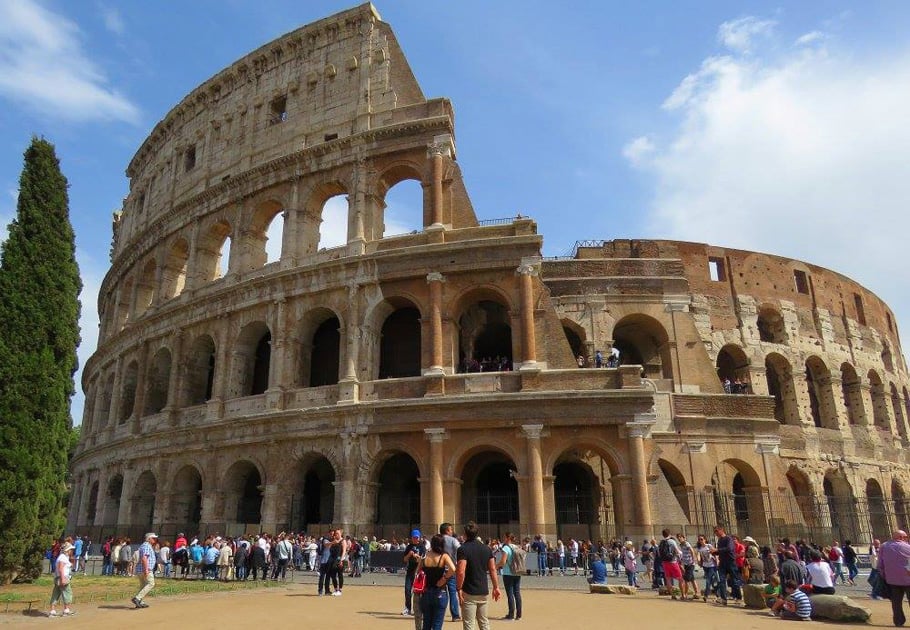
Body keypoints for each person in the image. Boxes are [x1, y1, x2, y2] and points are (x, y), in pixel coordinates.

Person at [456, 521, 501, 630]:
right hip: (483, 589)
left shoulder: (463, 549)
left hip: (469, 590)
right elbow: (492, 569)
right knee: (484, 622)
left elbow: (461, 571)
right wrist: (496, 587)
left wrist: (459, 588)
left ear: (465, 534)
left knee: (469, 623)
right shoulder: (486, 549)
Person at [419, 534, 457, 630]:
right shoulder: (443, 556)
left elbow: (418, 571)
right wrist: (444, 578)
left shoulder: (425, 555)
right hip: (440, 591)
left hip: (426, 591)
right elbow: (453, 569)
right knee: (437, 624)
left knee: (426, 623)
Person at [878, 529, 910, 627]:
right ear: (901, 537)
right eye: (905, 537)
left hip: (892, 580)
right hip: (908, 579)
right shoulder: (908, 547)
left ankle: (898, 622)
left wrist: (884, 576)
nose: (906, 539)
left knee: (896, 603)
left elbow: (880, 564)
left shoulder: (883, 546)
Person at [712, 525, 741, 606]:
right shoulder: (719, 540)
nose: (716, 533)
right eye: (715, 532)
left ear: (721, 530)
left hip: (731, 562)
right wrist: (714, 552)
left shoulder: (728, 539)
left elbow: (729, 549)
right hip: (722, 562)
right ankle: (724, 599)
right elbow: (720, 552)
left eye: (716, 531)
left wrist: (717, 550)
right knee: (721, 580)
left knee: (734, 580)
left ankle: (738, 597)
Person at [497, 532, 523, 620]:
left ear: (508, 538)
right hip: (517, 572)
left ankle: (511, 614)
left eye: (504, 537)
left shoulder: (506, 548)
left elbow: (503, 561)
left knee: (510, 594)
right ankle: (519, 615)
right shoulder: (516, 547)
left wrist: (496, 566)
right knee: (517, 593)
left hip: (508, 573)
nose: (503, 538)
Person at [440, 523, 462, 621]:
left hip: (439, 569)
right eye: (450, 530)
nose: (452, 531)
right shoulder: (453, 540)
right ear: (446, 531)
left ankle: (438, 613)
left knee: (440, 592)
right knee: (453, 592)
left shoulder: (437, 540)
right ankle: (455, 615)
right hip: (452, 569)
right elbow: (460, 551)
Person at [48, 540, 75, 617]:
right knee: (67, 593)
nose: (72, 551)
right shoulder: (63, 557)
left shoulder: (63, 557)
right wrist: (63, 578)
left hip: (58, 577)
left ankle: (52, 611)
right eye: (71, 549)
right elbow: (60, 569)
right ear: (67, 550)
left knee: (56, 594)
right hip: (62, 577)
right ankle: (66, 610)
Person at [403, 529, 426, 616]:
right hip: (410, 571)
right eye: (414, 537)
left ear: (419, 538)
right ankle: (407, 608)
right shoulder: (409, 547)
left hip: (419, 572)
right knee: (407, 590)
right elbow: (404, 560)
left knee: (419, 592)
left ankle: (419, 609)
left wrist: (417, 557)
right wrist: (409, 554)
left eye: (417, 537)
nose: (415, 539)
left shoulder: (422, 547)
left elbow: (423, 560)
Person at [132, 533, 157, 609]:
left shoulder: (146, 545)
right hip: (145, 569)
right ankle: (137, 598)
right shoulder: (146, 546)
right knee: (151, 583)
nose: (155, 539)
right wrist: (146, 569)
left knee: (142, 586)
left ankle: (140, 601)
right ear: (149, 539)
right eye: (153, 538)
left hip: (141, 569)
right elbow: (144, 558)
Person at [696, 535, 717, 602]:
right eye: (699, 539)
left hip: (712, 565)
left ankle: (706, 595)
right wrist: (698, 561)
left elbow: (715, 553)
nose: (700, 541)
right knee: (712, 582)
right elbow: (698, 555)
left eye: (702, 539)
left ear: (705, 539)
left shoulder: (709, 546)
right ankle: (718, 595)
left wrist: (717, 560)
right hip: (705, 566)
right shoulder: (700, 548)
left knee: (708, 581)